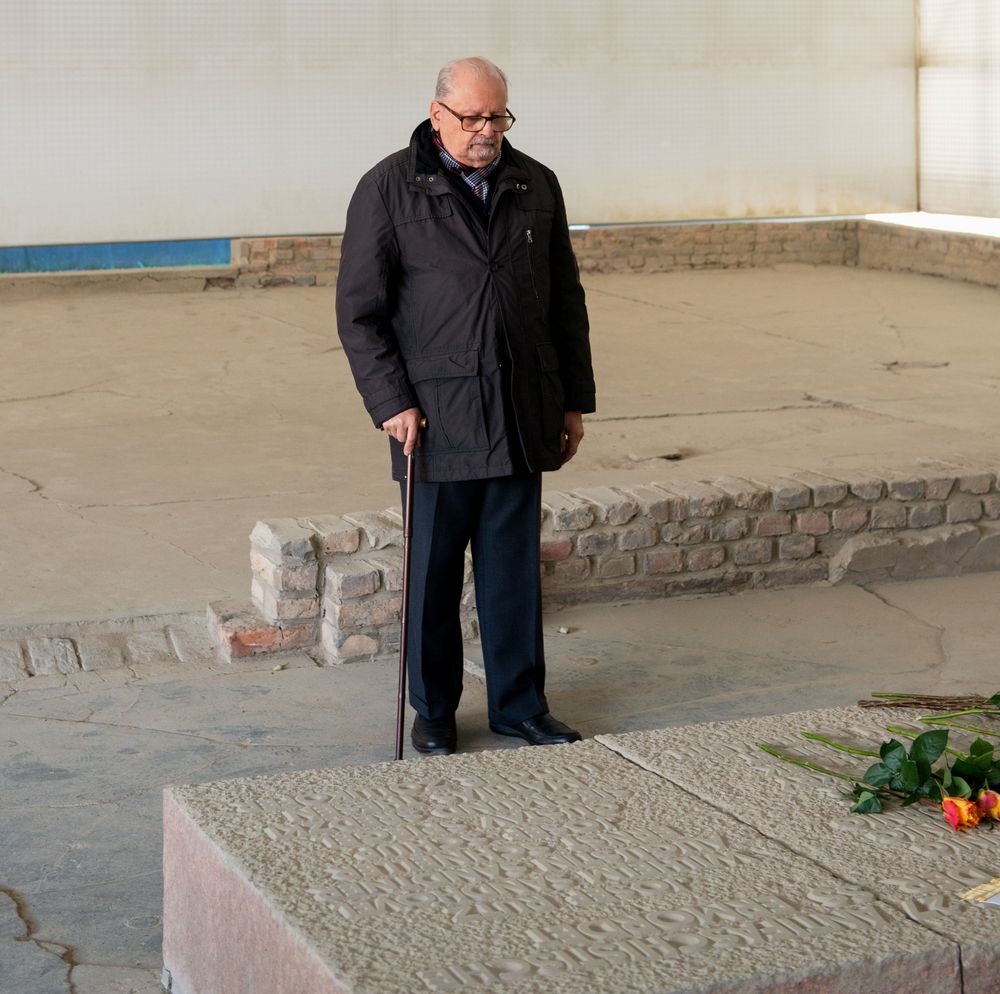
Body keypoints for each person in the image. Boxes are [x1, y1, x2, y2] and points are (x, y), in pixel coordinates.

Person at [336, 56, 596, 756]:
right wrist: (390, 401)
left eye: (498, 116)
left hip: (520, 407)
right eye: (473, 117)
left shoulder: (535, 183)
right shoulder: (388, 187)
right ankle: (434, 712)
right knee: (433, 575)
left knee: (513, 574)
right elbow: (359, 313)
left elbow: (565, 302)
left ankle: (520, 706)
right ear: (437, 114)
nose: (487, 130)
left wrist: (573, 401)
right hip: (433, 418)